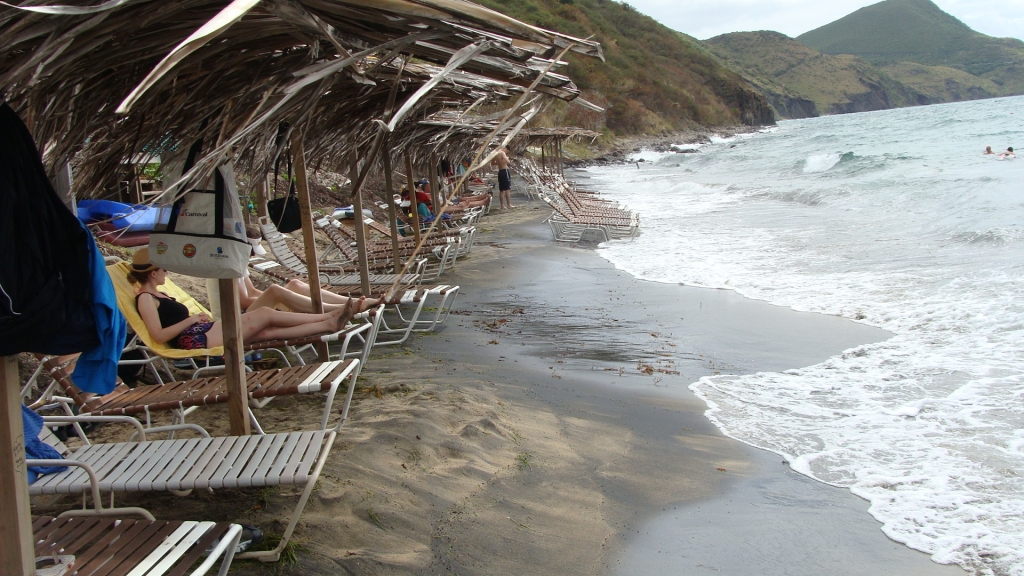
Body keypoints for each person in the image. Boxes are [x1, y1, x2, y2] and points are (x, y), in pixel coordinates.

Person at [130, 247, 359, 350]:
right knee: (266, 315)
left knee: (267, 333)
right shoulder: (146, 299)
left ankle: (328, 323)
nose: (167, 273)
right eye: (164, 269)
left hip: (202, 331)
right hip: (195, 339)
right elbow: (159, 336)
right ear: (153, 273)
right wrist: (190, 320)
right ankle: (328, 317)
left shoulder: (159, 294)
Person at [206, 227, 379, 319]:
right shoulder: (225, 266)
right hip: (232, 320)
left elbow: (251, 292)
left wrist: (286, 297)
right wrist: (280, 299)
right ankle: (340, 309)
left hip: (246, 311)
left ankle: (353, 302)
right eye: (251, 251)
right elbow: (243, 302)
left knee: (294, 285)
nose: (252, 255)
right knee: (275, 291)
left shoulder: (238, 262)